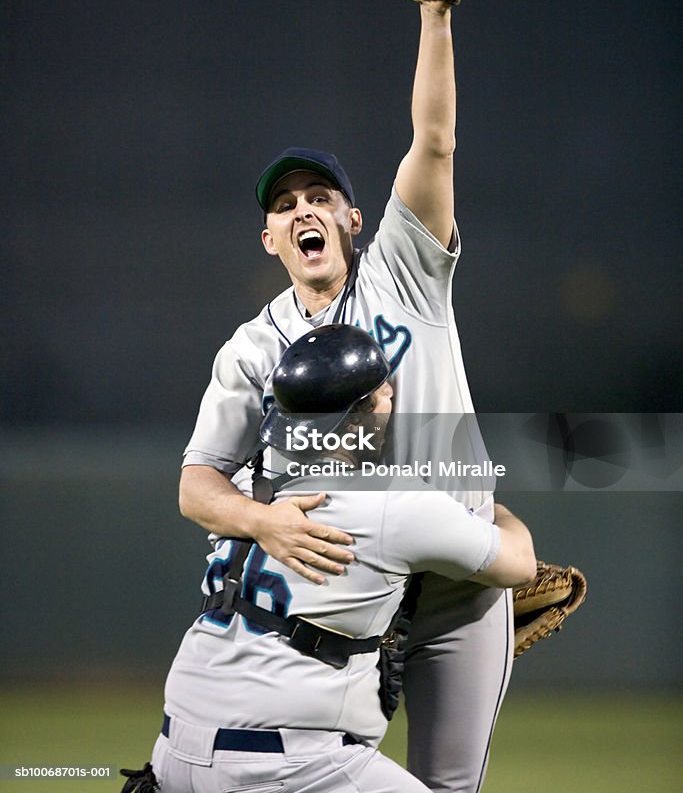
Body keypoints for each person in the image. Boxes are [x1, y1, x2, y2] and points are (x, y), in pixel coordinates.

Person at [179, 0, 512, 793]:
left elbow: (433, 141)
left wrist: (435, 14)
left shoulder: (404, 267)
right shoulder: (252, 347)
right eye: (285, 204)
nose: (303, 210)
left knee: (447, 784)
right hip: (351, 587)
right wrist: (259, 519)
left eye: (319, 196)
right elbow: (197, 485)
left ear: (354, 220)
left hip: (461, 578)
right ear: (270, 241)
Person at [148, 326, 536, 793]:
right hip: (281, 765)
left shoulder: (251, 488)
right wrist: (496, 511)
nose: (391, 395)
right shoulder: (395, 502)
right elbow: (519, 564)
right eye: (381, 392)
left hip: (173, 750)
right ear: (357, 419)